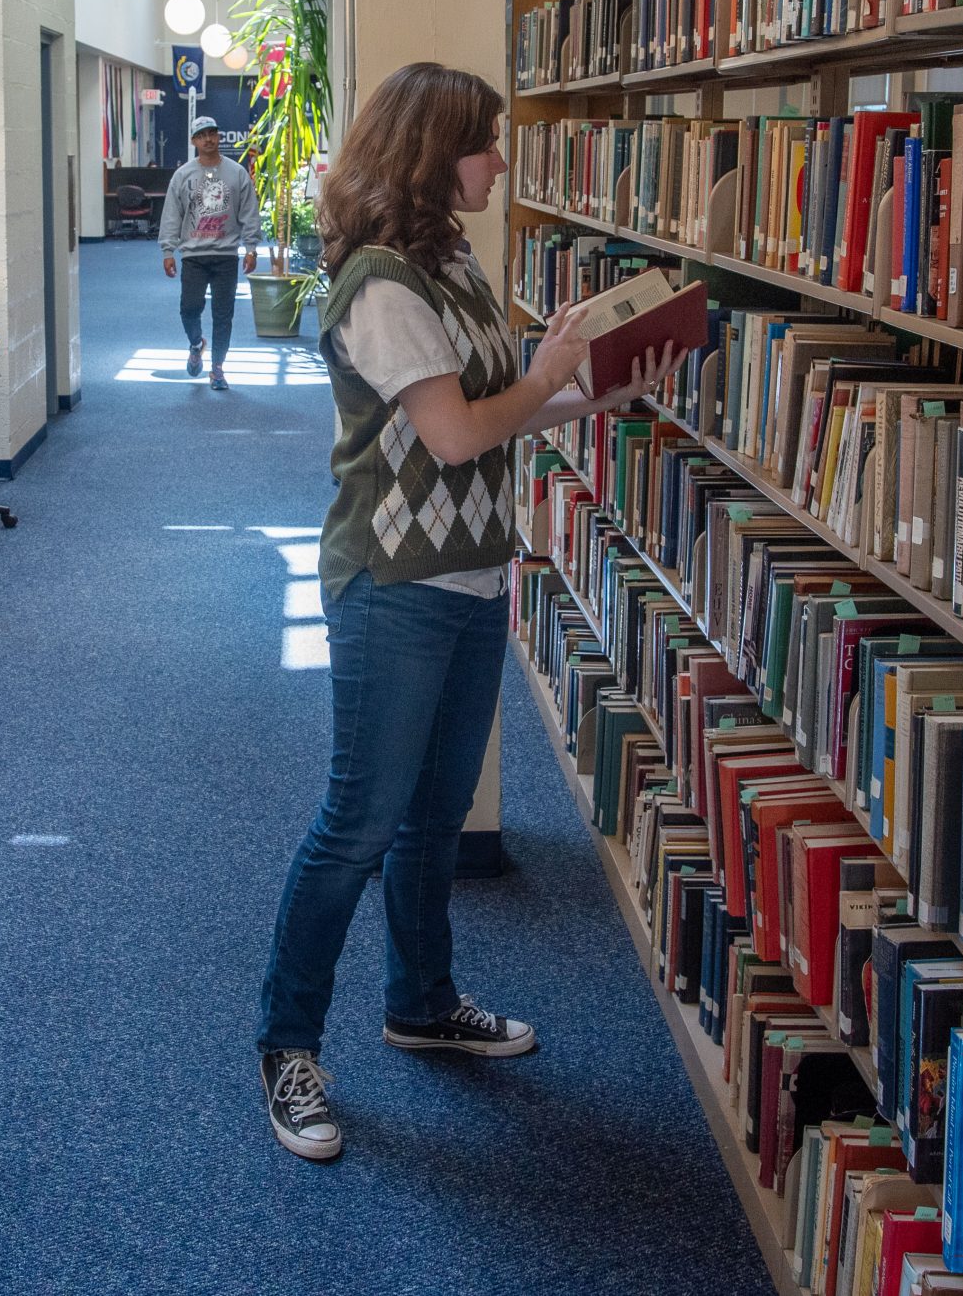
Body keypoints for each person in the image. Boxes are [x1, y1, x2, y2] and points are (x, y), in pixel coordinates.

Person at [254, 61, 686, 1162]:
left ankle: (420, 999)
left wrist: (611, 379)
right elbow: (454, 435)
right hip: (393, 587)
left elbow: (500, 412)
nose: (500, 161)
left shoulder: (451, 259)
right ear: (434, 150)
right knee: (356, 823)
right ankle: (287, 1044)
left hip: (473, 577)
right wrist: (547, 374)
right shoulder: (382, 282)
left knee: (433, 820)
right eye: (485, 143)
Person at [158, 115, 260, 391]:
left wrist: (251, 248)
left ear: (218, 136)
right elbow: (171, 215)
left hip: (226, 254)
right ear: (194, 141)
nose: (208, 139)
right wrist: (168, 249)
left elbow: (249, 212)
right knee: (189, 309)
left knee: (223, 314)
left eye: (212, 133)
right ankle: (195, 343)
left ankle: (217, 370)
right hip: (193, 255)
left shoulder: (236, 173)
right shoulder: (183, 176)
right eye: (202, 135)